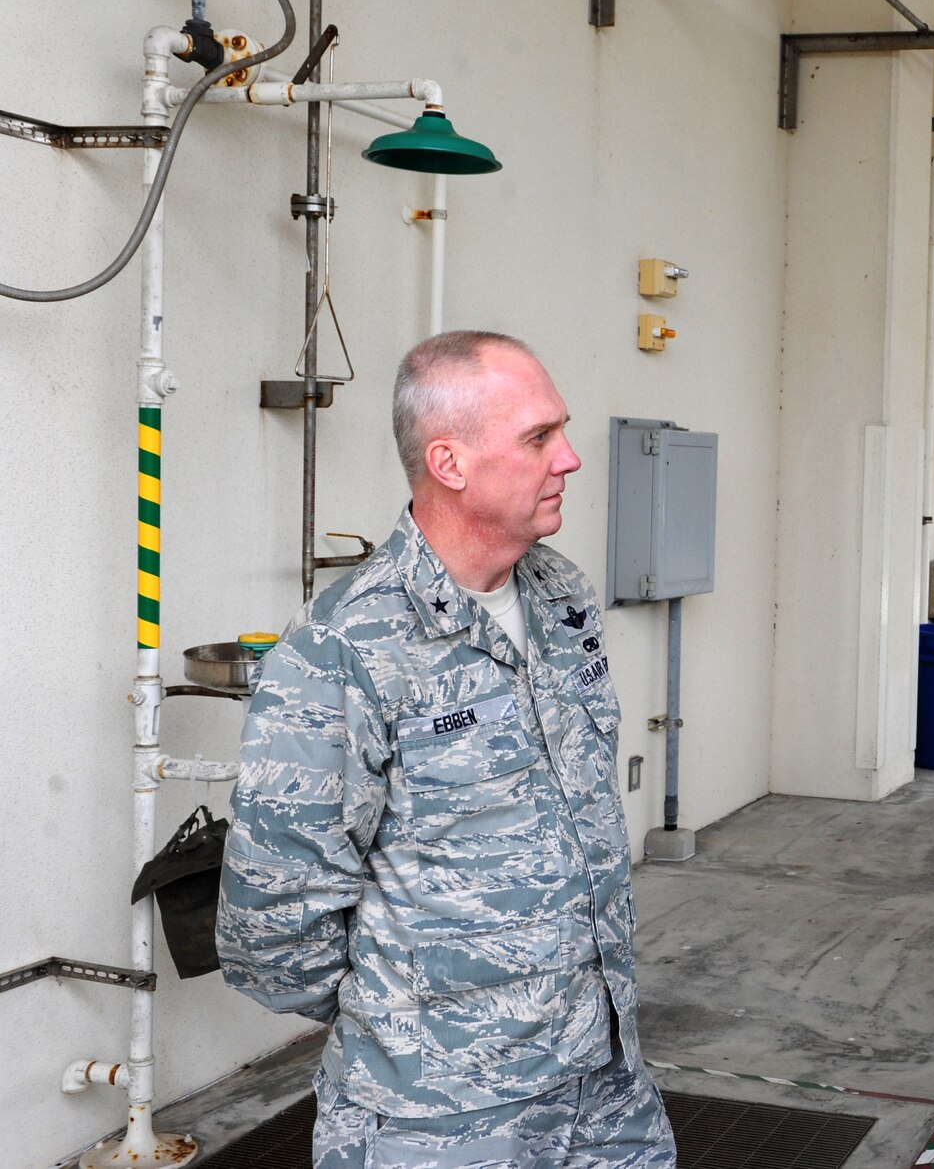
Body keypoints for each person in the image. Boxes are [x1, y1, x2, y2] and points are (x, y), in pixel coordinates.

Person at [216, 331, 676, 1169]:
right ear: (450, 462)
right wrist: (416, 1013)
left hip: (605, 1084)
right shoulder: (344, 646)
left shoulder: (561, 593)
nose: (568, 458)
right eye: (539, 437)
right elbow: (273, 926)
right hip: (440, 1118)